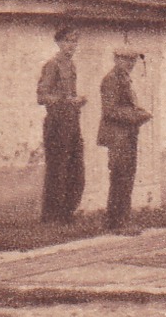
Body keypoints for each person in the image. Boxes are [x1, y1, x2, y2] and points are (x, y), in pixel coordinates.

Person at [98, 47, 153, 233]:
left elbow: (123, 107)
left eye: (133, 61)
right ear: (116, 59)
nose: (130, 64)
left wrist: (139, 113)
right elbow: (110, 110)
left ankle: (120, 220)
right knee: (120, 176)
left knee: (126, 177)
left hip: (127, 135)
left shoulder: (124, 79)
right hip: (117, 136)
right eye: (126, 59)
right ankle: (117, 222)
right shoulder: (111, 80)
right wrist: (137, 116)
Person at [36, 25, 87, 223]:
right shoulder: (52, 65)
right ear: (58, 42)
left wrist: (77, 101)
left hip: (72, 121)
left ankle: (67, 213)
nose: (71, 46)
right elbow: (42, 96)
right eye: (67, 41)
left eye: (74, 41)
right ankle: (52, 216)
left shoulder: (71, 65)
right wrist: (66, 101)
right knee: (57, 169)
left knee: (76, 168)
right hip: (56, 123)